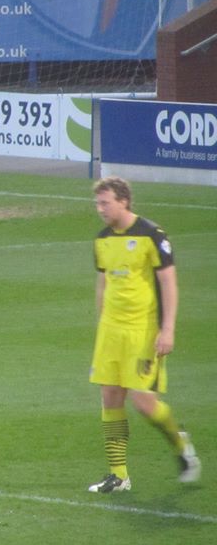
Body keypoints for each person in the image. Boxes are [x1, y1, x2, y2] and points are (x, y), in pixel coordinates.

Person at [86, 177, 201, 493]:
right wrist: (102, 323)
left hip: (143, 331)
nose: (100, 209)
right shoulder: (102, 240)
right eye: (97, 204)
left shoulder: (152, 234)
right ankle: (119, 475)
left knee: (144, 403)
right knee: (110, 396)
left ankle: (180, 443)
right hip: (111, 331)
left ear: (123, 201)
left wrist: (168, 329)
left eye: (105, 203)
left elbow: (168, 283)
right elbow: (103, 283)